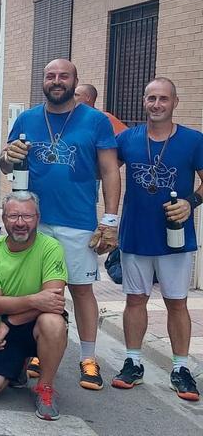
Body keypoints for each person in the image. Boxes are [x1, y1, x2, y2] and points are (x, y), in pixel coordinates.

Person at [0, 58, 121, 391]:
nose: (56, 81)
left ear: (74, 80)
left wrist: (110, 218)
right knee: (33, 291)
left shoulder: (95, 121)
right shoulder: (26, 118)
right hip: (31, 221)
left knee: (81, 290)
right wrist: (7, 156)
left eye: (63, 76)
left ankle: (89, 358)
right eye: (50, 76)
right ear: (43, 81)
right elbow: (4, 164)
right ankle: (39, 350)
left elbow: (110, 170)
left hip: (78, 220)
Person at [110, 77, 200, 401]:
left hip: (175, 237)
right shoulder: (128, 139)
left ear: (175, 102)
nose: (157, 104)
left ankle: (180, 367)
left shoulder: (192, 140)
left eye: (164, 98)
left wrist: (192, 202)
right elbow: (104, 171)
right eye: (151, 98)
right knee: (135, 299)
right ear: (144, 101)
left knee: (177, 302)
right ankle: (133, 362)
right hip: (135, 233)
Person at [0, 191, 68, 421]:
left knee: (53, 321)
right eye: (13, 216)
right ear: (3, 219)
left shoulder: (52, 248)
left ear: (38, 218)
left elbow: (53, 302)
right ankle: (17, 366)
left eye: (27, 216)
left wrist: (10, 321)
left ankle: (45, 387)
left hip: (34, 326)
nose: (20, 223)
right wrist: (35, 299)